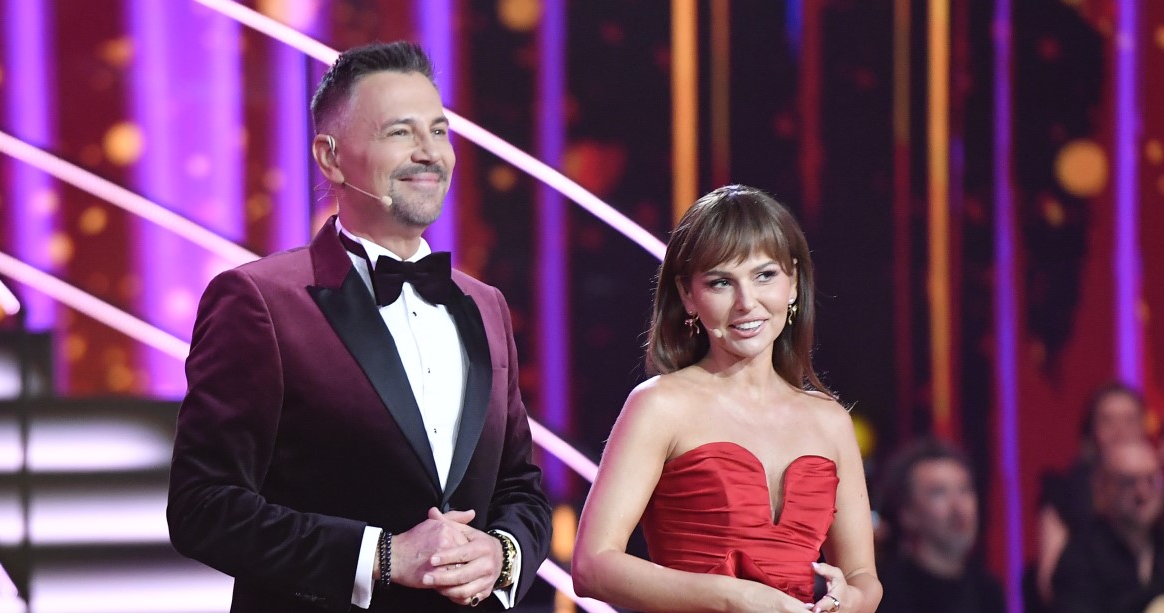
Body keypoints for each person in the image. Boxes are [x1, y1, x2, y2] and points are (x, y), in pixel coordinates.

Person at [166, 41, 551, 612]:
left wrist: (503, 554)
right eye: (400, 132)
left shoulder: (485, 304)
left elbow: (521, 486)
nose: (430, 153)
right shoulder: (259, 301)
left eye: (439, 131)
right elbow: (203, 507)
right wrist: (381, 556)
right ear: (331, 158)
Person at [571, 185, 882, 613]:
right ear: (688, 295)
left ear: (793, 282)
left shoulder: (830, 421)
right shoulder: (661, 406)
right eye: (721, 282)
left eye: (764, 276)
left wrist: (851, 599)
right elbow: (592, 566)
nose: (746, 303)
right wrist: (734, 598)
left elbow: (863, 575)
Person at [1034, 382, 1149, 607]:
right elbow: (1049, 581)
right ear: (1091, 430)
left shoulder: (1155, 489)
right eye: (1108, 421)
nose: (1120, 431)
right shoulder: (1065, 492)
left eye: (1129, 420)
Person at [874, 438, 1005, 613]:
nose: (959, 508)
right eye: (939, 492)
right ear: (907, 513)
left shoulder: (988, 592)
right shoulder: (884, 593)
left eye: (965, 490)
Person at [1052, 438, 1164, 613]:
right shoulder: (1080, 558)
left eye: (1151, 480)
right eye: (1129, 482)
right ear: (1102, 488)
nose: (1142, 493)